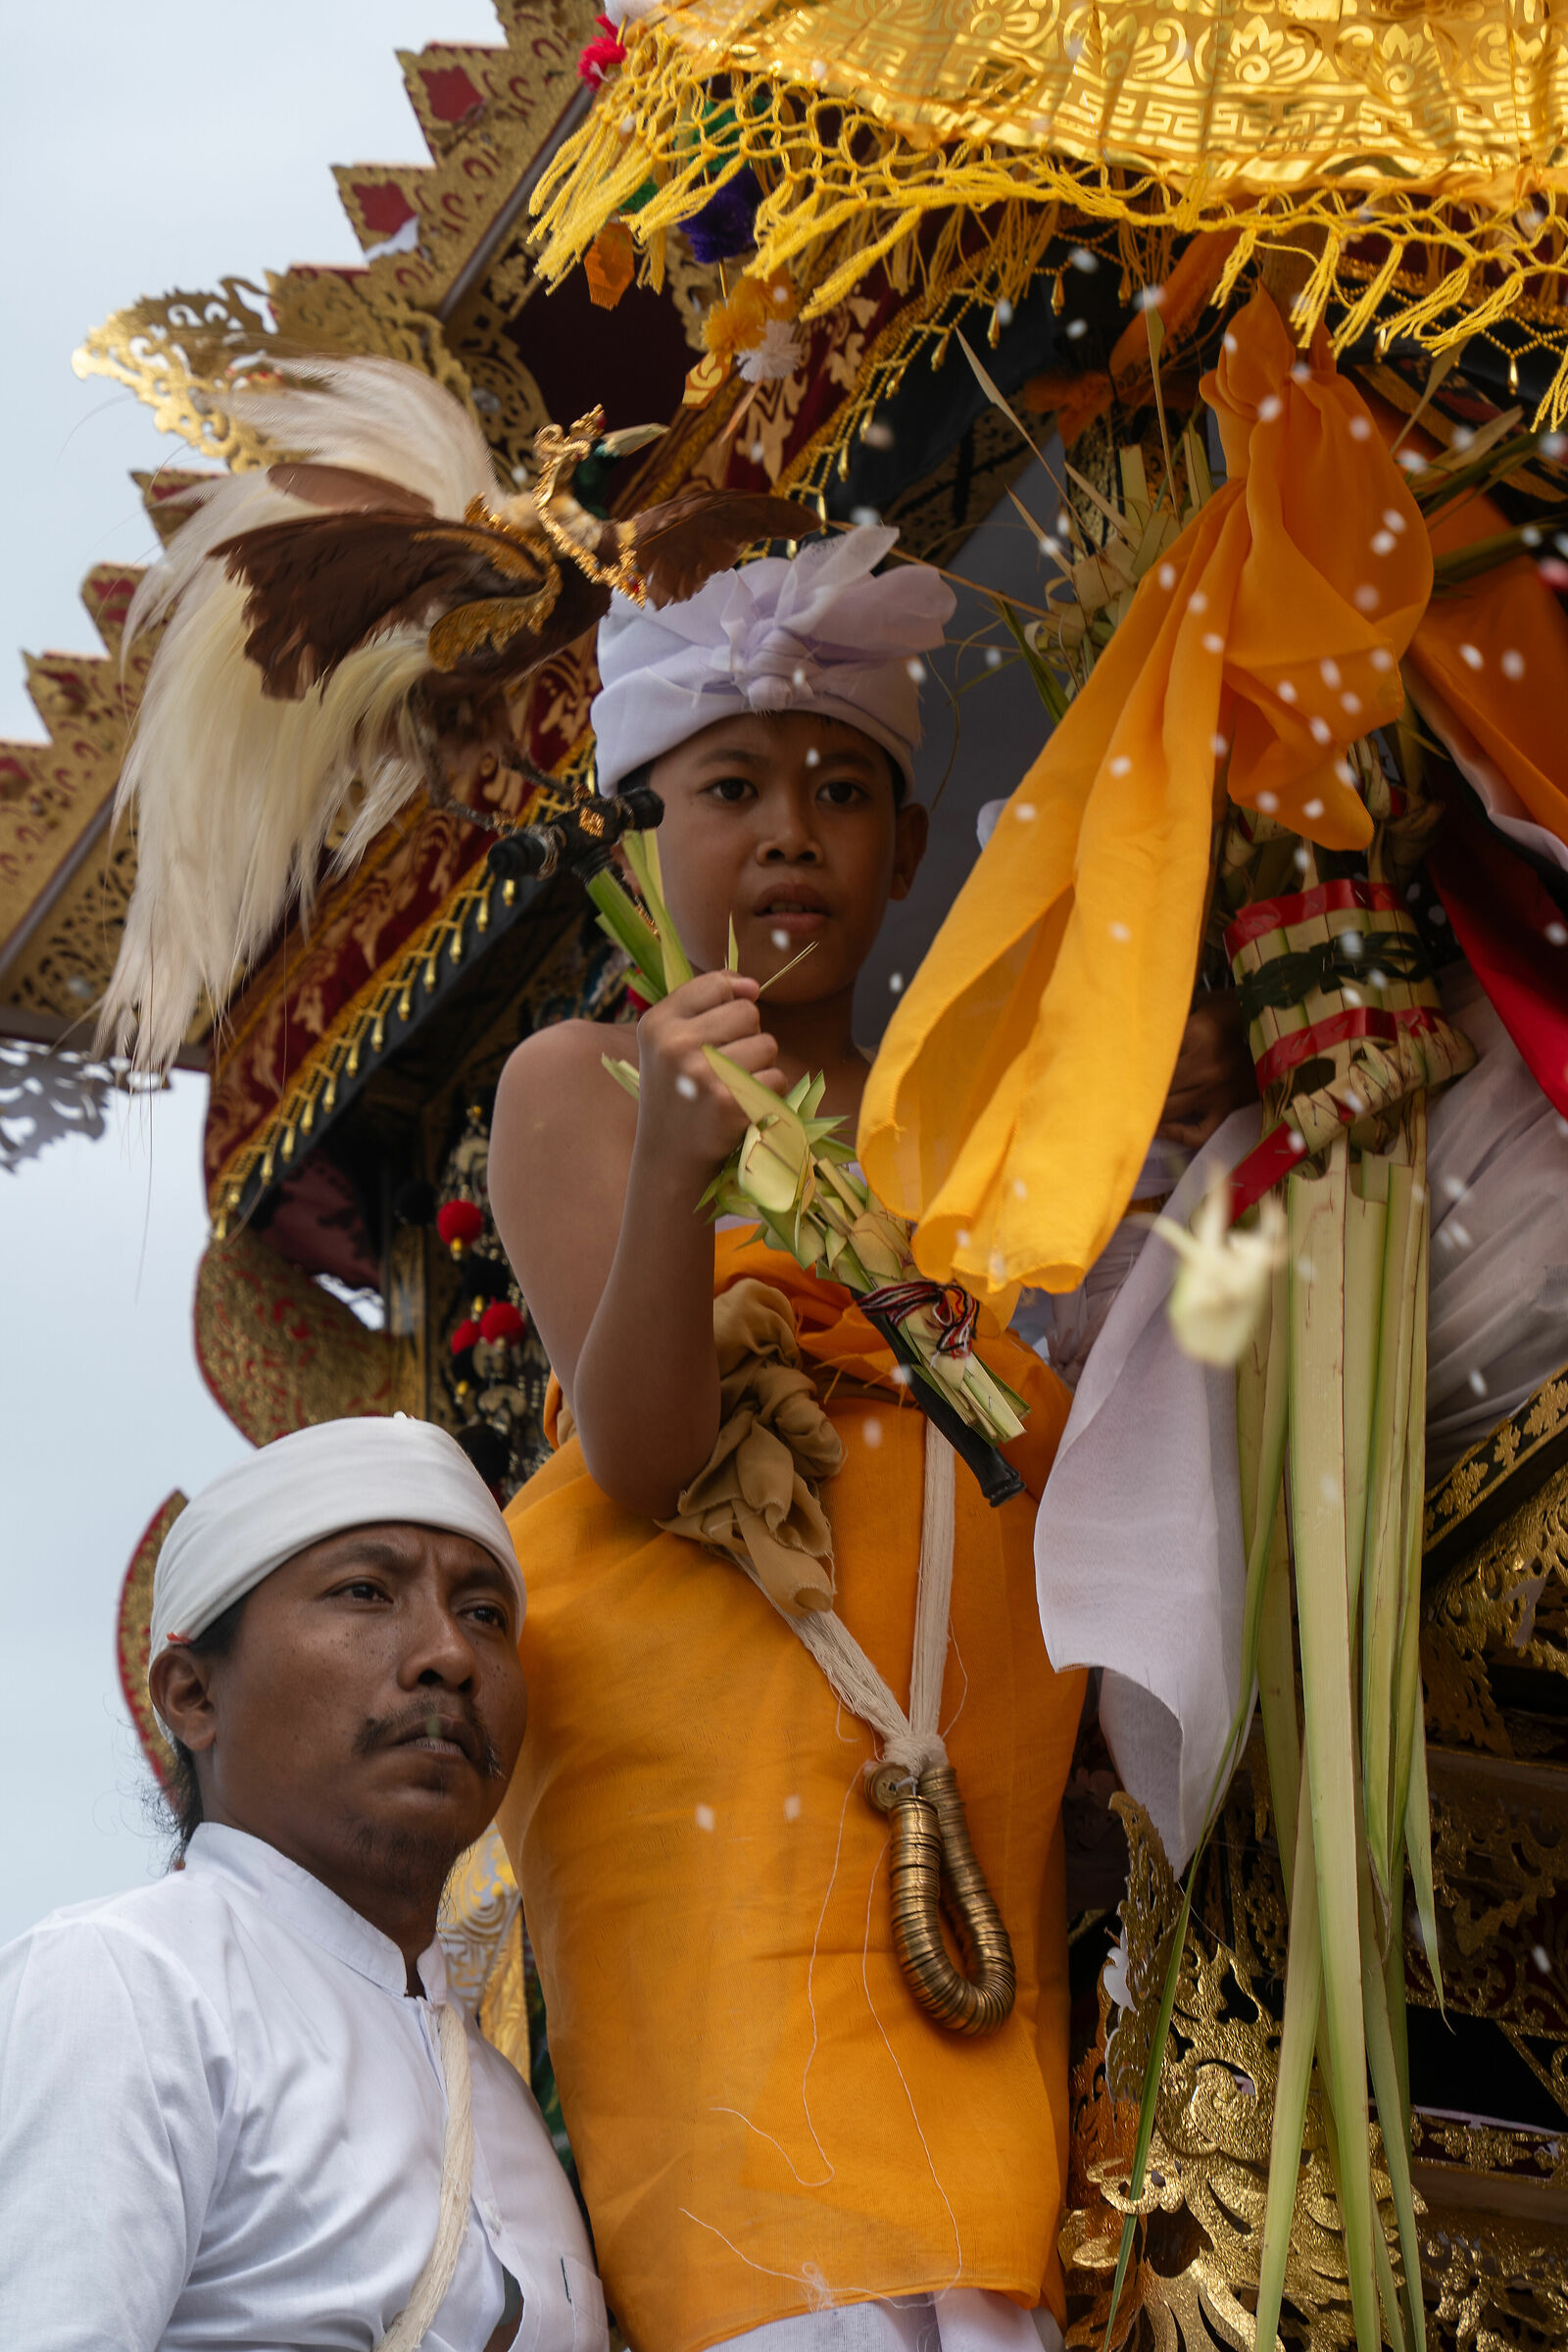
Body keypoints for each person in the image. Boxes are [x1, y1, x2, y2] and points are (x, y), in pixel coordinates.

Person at [486, 526, 1248, 2352]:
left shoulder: (975, 1138)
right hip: (715, 1844)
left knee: (979, 2280)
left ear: (911, 850)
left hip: (959, 1858)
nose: (786, 835)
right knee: (783, 2276)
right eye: (729, 787)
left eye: (844, 791)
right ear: (640, 831)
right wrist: (683, 1164)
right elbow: (651, 1456)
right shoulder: (579, 1086)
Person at [0, 1415, 606, 2352]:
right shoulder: (129, 1986)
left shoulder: (499, 2092)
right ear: (195, 1695)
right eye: (366, 1591)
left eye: (484, 1613)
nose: (448, 1653)